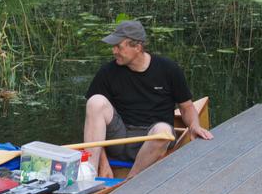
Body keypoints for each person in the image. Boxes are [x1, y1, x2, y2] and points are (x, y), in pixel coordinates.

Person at [83, 20, 213, 178]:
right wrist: (104, 163)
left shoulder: (168, 69)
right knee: (95, 101)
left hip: (153, 140)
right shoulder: (107, 72)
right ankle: (89, 174)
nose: (114, 51)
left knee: (163, 132)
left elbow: (186, 107)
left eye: (118, 46)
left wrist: (194, 126)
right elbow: (94, 122)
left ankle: (131, 180)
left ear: (137, 47)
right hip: (120, 138)